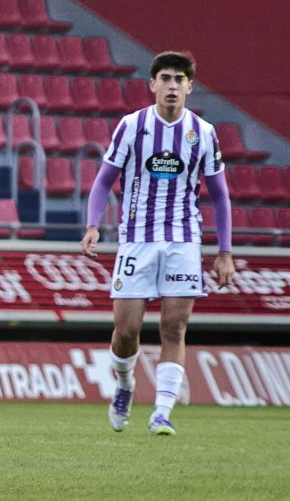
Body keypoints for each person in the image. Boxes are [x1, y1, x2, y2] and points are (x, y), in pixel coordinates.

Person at [80, 50, 235, 436]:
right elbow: (103, 181)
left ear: (189, 87)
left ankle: (162, 411)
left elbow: (220, 195)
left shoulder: (203, 133)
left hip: (183, 240)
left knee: (174, 326)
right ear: (152, 85)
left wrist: (225, 252)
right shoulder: (132, 126)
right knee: (127, 329)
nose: (172, 86)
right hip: (137, 241)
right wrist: (93, 225)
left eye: (179, 80)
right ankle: (125, 385)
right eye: (165, 78)